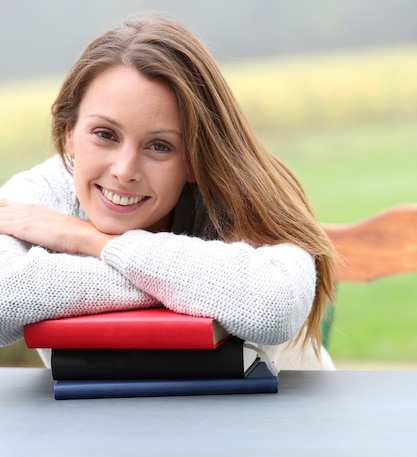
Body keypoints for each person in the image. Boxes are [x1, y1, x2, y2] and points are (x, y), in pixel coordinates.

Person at [0, 12, 336, 370]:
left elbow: (270, 307)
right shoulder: (41, 193)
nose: (124, 170)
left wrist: (91, 240)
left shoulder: (237, 200)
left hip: (274, 418)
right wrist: (202, 288)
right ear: (69, 132)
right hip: (110, 421)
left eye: (159, 146)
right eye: (104, 134)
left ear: (193, 158)